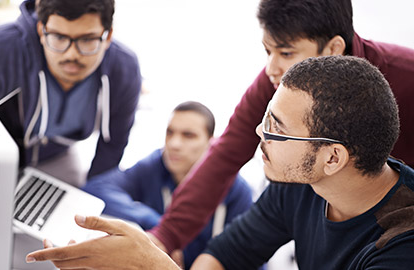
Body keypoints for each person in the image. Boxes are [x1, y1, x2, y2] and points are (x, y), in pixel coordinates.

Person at [25, 56, 414, 269]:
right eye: (264, 119)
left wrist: (153, 265)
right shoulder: (299, 188)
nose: (259, 135)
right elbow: (227, 255)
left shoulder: (401, 247)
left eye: (276, 129)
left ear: (332, 157)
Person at [147, 0, 414, 253]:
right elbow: (227, 152)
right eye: (268, 51)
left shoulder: (407, 78)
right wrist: (164, 237)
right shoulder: (279, 82)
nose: (271, 68)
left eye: (286, 52)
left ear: (333, 48)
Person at [0, 0, 142, 187]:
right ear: (41, 30)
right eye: (59, 37)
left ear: (108, 35)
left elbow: (113, 146)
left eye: (87, 40)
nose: (72, 54)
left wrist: (92, 191)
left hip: (58, 156)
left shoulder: (125, 69)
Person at [82, 101, 253, 269]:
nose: (174, 144)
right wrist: (159, 225)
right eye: (170, 133)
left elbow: (251, 257)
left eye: (188, 135)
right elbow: (97, 188)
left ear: (212, 142)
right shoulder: (157, 164)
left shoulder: (237, 190)